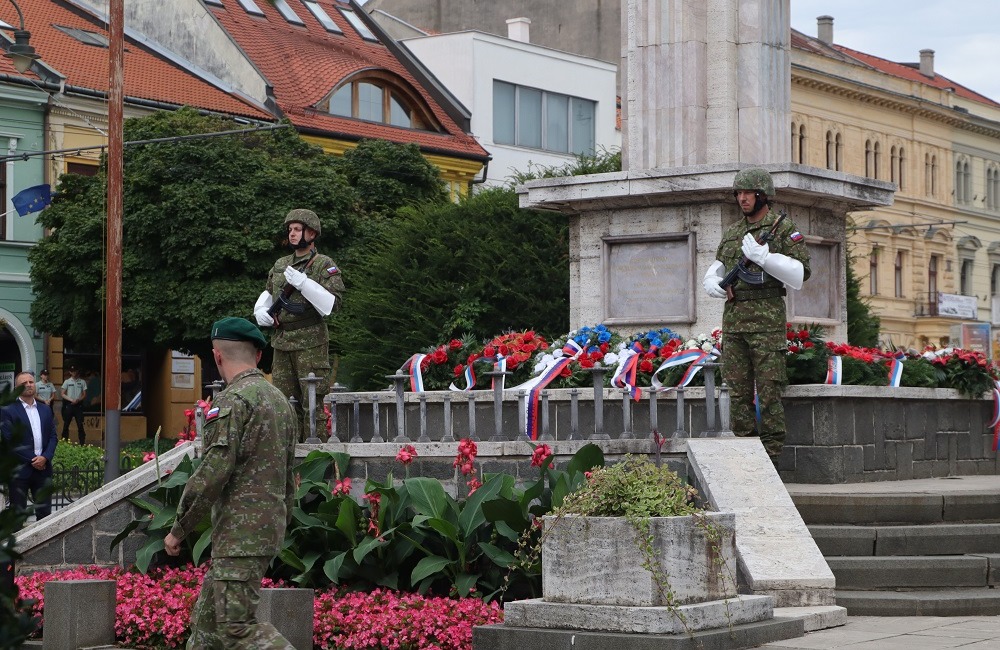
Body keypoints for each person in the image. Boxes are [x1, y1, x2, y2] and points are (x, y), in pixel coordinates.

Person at [164, 318, 297, 649]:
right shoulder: (280, 401)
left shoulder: (232, 400)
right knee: (207, 627)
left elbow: (213, 472)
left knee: (236, 629)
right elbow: (290, 475)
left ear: (217, 355)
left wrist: (179, 528)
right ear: (260, 355)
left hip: (240, 534)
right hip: (261, 531)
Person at [703, 167, 811, 461]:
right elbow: (720, 266)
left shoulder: (783, 228)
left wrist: (767, 258)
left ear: (763, 194)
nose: (742, 198)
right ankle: (747, 455)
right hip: (735, 323)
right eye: (738, 193)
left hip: (766, 325)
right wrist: (712, 280)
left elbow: (800, 274)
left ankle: (772, 457)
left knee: (769, 391)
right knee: (737, 393)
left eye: (748, 192)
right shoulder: (734, 233)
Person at [253, 209, 344, 440]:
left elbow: (332, 304)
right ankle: (288, 453)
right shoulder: (281, 264)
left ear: (311, 233)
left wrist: (305, 284)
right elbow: (268, 292)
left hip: (310, 342)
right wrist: (260, 310)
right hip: (282, 342)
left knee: (312, 403)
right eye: (290, 230)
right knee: (284, 403)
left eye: (297, 229)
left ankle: (317, 455)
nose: (292, 234)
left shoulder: (323, 264)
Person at [1, 371, 58, 520]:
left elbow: (53, 436)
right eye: (23, 383)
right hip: (20, 471)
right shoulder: (8, 410)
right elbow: (10, 440)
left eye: (31, 382)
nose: (28, 385)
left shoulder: (45, 409)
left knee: (45, 515)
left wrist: (45, 457)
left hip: (43, 470)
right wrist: (34, 460)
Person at [60, 366, 87, 444]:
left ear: (77, 371)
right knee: (66, 424)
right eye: (72, 371)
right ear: (70, 372)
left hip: (78, 405)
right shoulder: (67, 382)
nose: (74, 373)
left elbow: (84, 394)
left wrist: (78, 400)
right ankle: (64, 442)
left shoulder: (82, 382)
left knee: (80, 424)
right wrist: (71, 400)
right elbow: (62, 393)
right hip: (70, 404)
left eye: (75, 371)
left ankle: (82, 442)